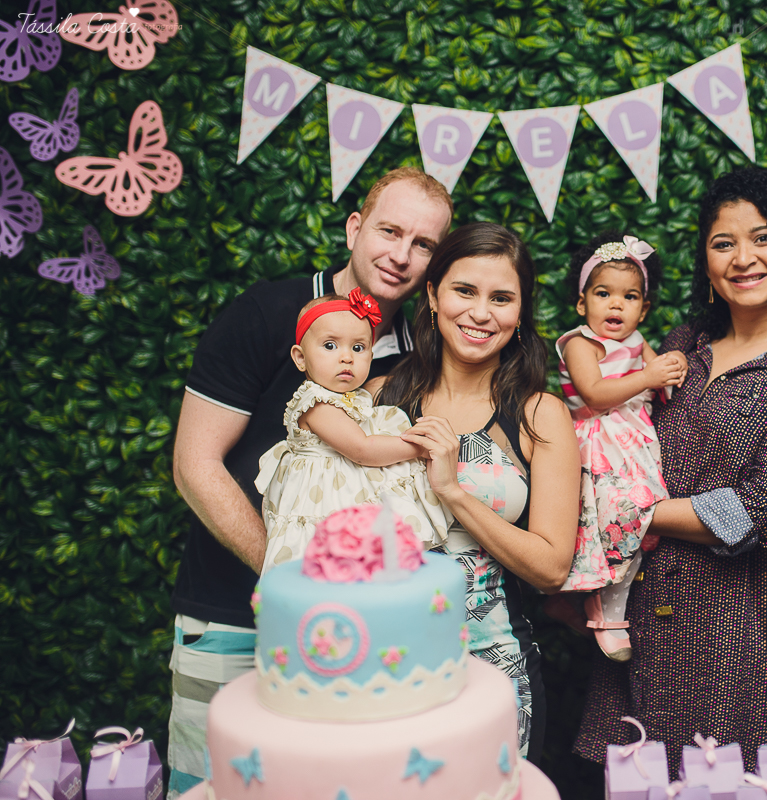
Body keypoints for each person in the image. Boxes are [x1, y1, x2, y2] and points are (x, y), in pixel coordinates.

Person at [168, 167, 453, 798]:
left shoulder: (432, 348)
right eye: (389, 230)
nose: (402, 255)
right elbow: (195, 465)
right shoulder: (269, 314)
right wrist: (291, 581)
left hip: (369, 639)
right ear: (355, 227)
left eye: (425, 244)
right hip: (233, 618)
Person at [574, 168, 767, 776]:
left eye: (763, 238)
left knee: (720, 783)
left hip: (733, 624)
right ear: (705, 260)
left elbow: (764, 508)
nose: (742, 258)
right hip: (632, 610)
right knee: (631, 783)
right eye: (723, 243)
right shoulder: (679, 347)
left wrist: (629, 510)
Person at [373, 222, 581, 762]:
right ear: (433, 295)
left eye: (502, 298)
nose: (481, 312)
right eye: (465, 290)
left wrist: (455, 492)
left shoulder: (541, 415)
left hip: (495, 665)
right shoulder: (378, 401)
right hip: (382, 657)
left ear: (519, 315)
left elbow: (552, 566)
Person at [552, 231, 686, 662]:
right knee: (606, 521)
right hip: (595, 443)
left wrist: (673, 366)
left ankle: (597, 602)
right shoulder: (579, 343)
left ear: (643, 308)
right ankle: (603, 611)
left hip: (634, 442)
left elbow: (659, 373)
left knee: (637, 524)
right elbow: (594, 393)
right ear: (581, 302)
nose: (615, 304)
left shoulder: (635, 341)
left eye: (629, 297)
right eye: (603, 293)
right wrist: (649, 378)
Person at [253, 289, 451, 572]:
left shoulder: (355, 398)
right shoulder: (315, 403)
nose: (346, 357)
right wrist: (419, 446)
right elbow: (362, 449)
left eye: (358, 348)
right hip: (323, 501)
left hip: (347, 492)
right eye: (330, 346)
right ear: (300, 357)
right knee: (333, 563)